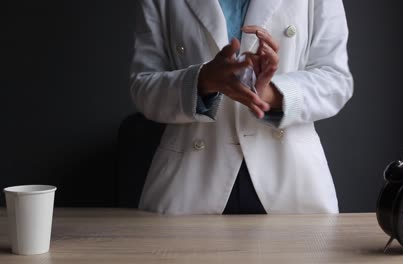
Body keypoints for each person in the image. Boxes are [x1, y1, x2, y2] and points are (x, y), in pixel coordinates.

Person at [130, 0, 353, 215]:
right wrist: (201, 82)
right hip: (190, 184)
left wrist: (270, 93)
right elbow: (143, 86)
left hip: (292, 182)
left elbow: (335, 80)